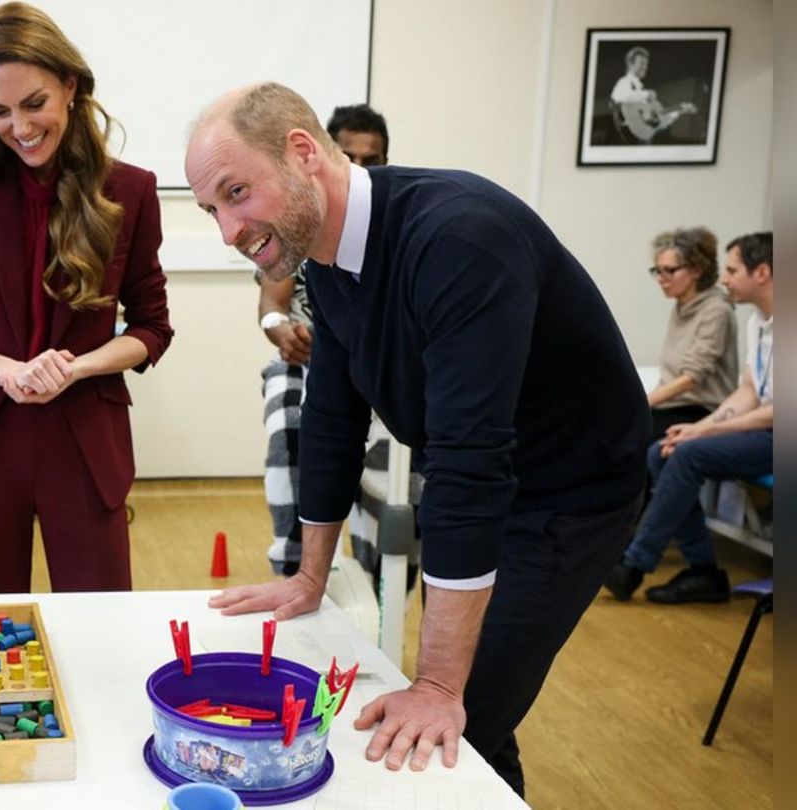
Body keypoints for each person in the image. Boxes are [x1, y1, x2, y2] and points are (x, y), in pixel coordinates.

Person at [187, 83, 648, 797]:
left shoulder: (458, 237)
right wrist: (311, 575)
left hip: (569, 498)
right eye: (212, 209)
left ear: (303, 153)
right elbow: (334, 419)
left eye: (236, 192)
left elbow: (470, 461)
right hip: (488, 486)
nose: (227, 230)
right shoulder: (330, 258)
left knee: (458, 718)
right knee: (467, 722)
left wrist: (435, 682)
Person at [0, 2, 173, 594]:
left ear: (70, 86)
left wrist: (74, 367)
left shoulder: (130, 189)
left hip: (83, 443)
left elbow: (152, 328)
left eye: (34, 104)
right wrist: (8, 371)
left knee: (100, 629)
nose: (20, 127)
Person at [606, 232, 773, 604]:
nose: (725, 279)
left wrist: (704, 429)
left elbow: (774, 410)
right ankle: (703, 570)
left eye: (732, 270)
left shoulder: (722, 310)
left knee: (683, 452)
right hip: (751, 425)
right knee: (661, 452)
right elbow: (748, 392)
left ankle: (633, 563)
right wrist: (698, 430)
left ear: (762, 272)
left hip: (769, 431)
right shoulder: (759, 322)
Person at [258, 103, 390, 575]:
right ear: (321, 156)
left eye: (370, 160)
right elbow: (271, 307)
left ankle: (382, 588)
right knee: (289, 429)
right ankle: (295, 568)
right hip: (303, 365)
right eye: (347, 155)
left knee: (394, 481)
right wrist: (280, 331)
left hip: (379, 375)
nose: (357, 168)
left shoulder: (392, 233)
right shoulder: (296, 227)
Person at [644, 227, 739, 441]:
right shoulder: (681, 305)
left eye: (669, 270)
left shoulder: (716, 310)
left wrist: (644, 402)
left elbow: (692, 378)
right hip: (672, 406)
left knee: (629, 439)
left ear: (697, 270)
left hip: (700, 410)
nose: (661, 278)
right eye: (657, 271)